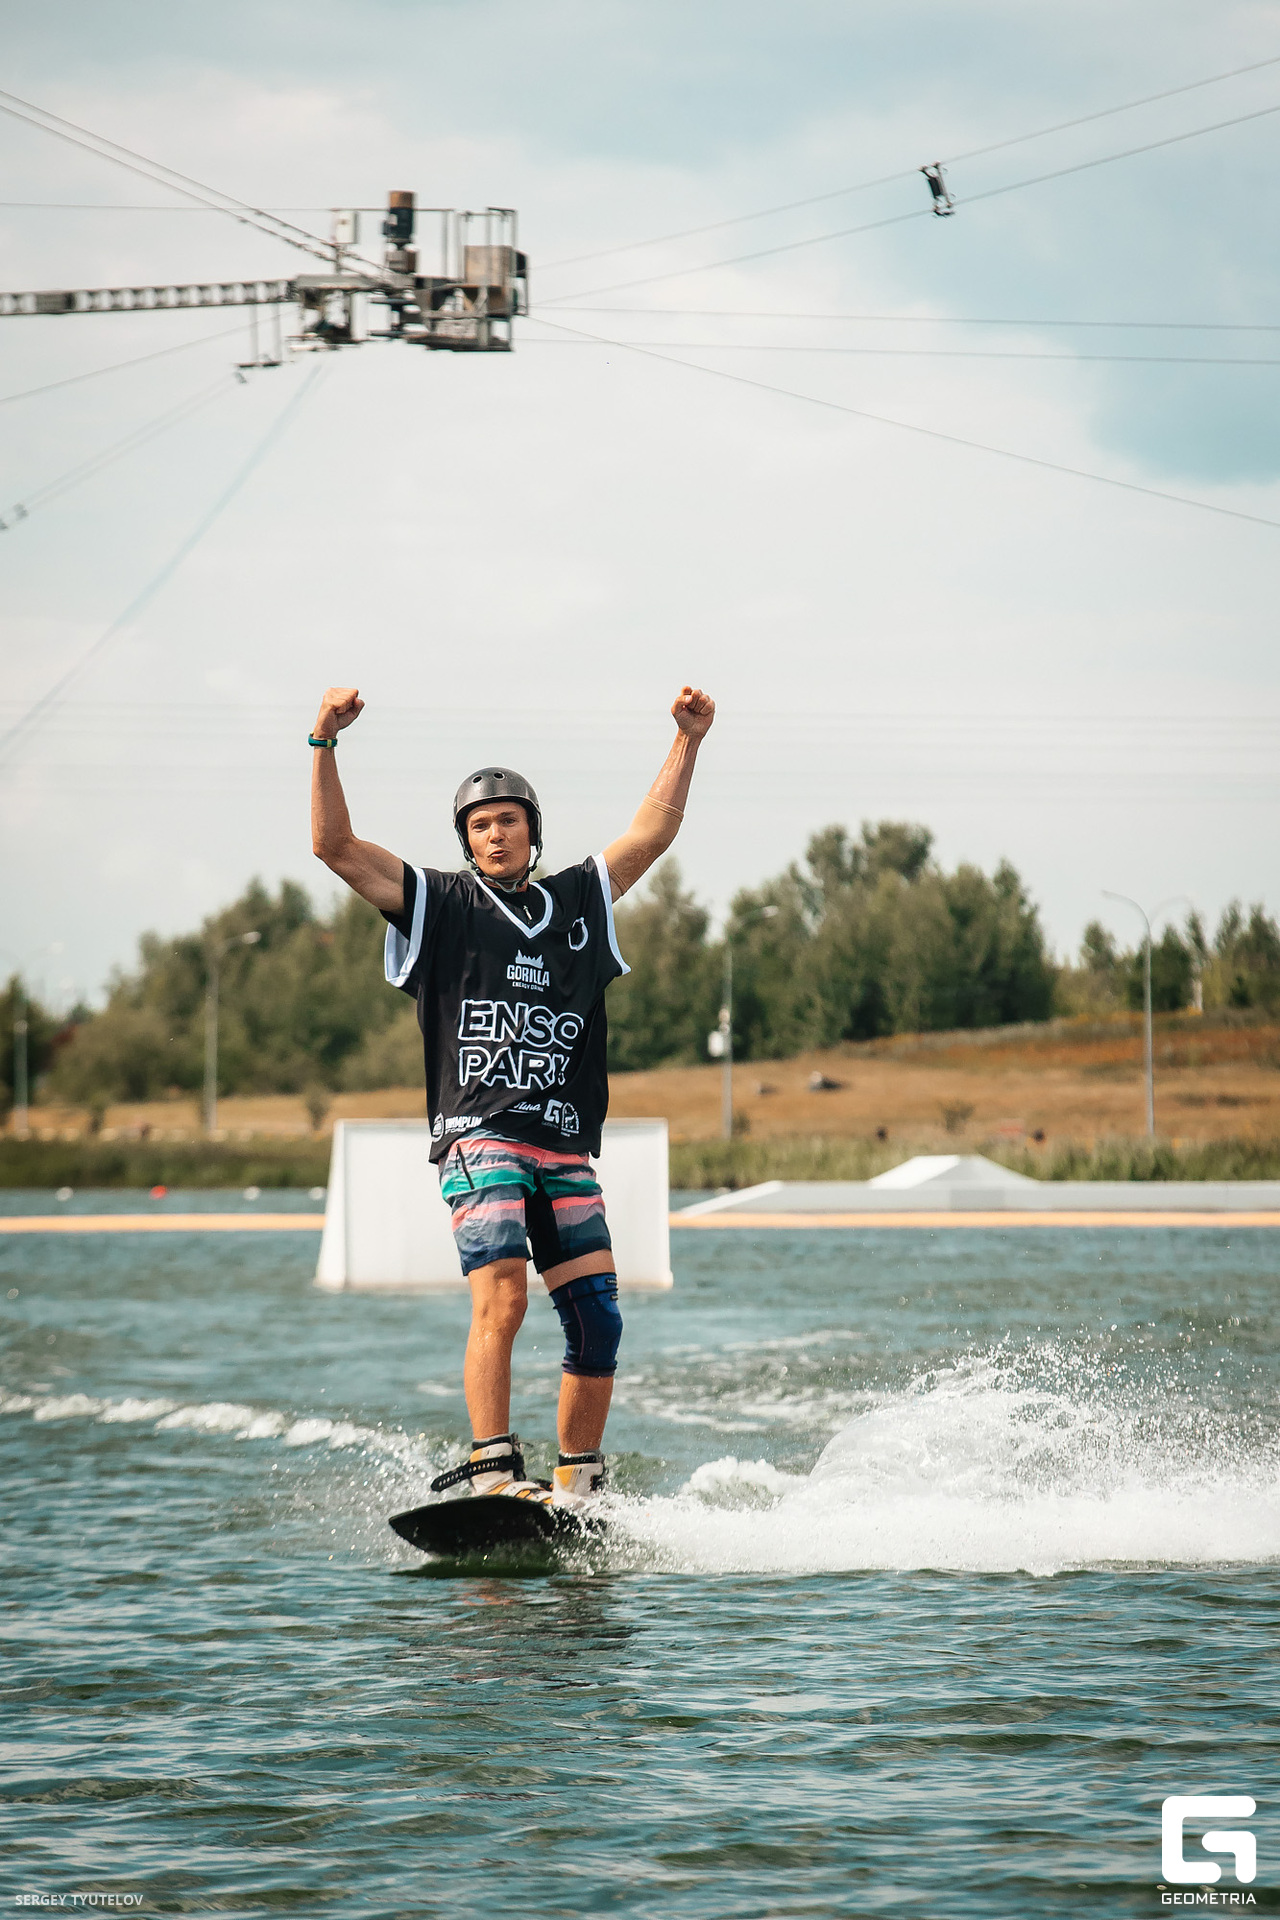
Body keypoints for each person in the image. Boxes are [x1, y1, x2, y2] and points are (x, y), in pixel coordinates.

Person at [309, 684, 715, 1511]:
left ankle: (579, 1484)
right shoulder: (440, 903)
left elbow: (652, 833)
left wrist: (687, 739)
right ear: (465, 840)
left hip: (562, 1139)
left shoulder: (578, 901)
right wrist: (323, 741)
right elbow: (334, 846)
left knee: (598, 1317)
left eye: (509, 820)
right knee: (504, 1294)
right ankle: (492, 1466)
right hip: (479, 1133)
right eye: (480, 825)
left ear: (533, 830)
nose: (496, 834)